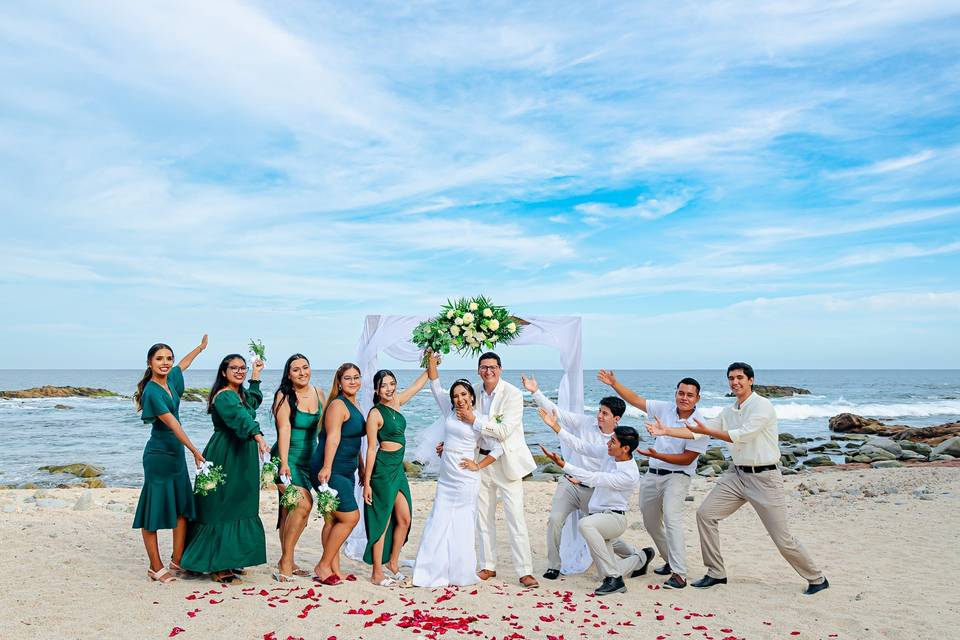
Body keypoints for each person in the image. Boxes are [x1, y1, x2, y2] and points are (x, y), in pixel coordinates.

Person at [647, 362, 830, 596]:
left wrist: (708, 431)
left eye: (740, 378)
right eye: (731, 378)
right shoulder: (729, 411)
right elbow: (698, 430)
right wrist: (667, 431)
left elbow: (740, 436)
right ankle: (716, 573)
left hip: (764, 477)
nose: (735, 382)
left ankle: (817, 578)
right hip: (736, 475)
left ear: (751, 380)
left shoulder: (762, 406)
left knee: (782, 538)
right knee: (706, 515)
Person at [598, 370, 710, 589]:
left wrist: (657, 455)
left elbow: (687, 459)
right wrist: (614, 384)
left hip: (678, 476)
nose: (684, 398)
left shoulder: (700, 424)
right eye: (680, 393)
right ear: (676, 393)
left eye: (689, 395)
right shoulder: (665, 408)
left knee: (671, 518)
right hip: (653, 474)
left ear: (697, 398)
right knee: (650, 522)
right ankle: (670, 560)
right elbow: (636, 400)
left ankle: (679, 573)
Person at [521, 374, 626, 581]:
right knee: (554, 520)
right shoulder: (586, 423)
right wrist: (535, 392)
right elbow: (558, 413)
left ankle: (632, 552)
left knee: (599, 533)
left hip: (594, 492)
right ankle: (554, 565)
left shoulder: (618, 443)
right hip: (569, 484)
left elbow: (610, 474)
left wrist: (586, 479)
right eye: (599, 411)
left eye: (605, 413)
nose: (599, 416)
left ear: (616, 419)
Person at [412, 353, 502, 587]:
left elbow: (498, 448)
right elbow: (435, 384)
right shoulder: (449, 412)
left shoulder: (479, 419)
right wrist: (431, 361)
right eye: (455, 396)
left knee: (462, 525)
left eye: (463, 394)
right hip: (446, 478)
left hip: (465, 479)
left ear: (471, 396)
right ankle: (430, 569)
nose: (459, 399)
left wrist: (477, 465)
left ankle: (460, 572)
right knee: (438, 521)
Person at [538, 414, 651, 596]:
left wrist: (563, 464)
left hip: (613, 518)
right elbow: (582, 446)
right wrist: (556, 427)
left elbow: (594, 478)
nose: (608, 443)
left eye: (612, 441)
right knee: (602, 573)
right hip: (600, 517)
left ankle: (614, 579)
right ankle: (642, 557)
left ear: (625, 448)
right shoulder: (610, 455)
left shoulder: (629, 474)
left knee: (586, 524)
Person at [180, 354, 270, 583]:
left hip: (242, 456)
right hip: (226, 455)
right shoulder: (224, 396)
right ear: (223, 371)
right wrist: (259, 437)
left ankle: (229, 558)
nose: (240, 371)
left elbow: (252, 403)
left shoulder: (239, 394)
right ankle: (217, 564)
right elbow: (241, 418)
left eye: (243, 368)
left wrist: (256, 376)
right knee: (220, 506)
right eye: (234, 368)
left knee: (240, 504)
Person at [132, 336, 208, 583]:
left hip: (175, 455)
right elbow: (173, 425)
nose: (165, 363)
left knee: (182, 510)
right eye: (159, 359)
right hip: (159, 457)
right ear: (149, 362)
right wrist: (195, 451)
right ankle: (155, 566)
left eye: (168, 358)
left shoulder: (171, 380)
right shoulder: (153, 391)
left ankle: (177, 561)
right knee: (153, 512)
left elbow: (183, 365)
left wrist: (199, 348)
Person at [462, 352, 538, 587]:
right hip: (480, 462)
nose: (488, 371)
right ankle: (488, 565)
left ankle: (524, 571)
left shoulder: (513, 394)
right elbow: (461, 422)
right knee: (483, 518)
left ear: (500, 369)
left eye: (493, 367)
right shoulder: (472, 391)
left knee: (515, 517)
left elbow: (504, 431)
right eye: (484, 367)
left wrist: (473, 420)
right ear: (478, 370)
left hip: (507, 463)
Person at [361, 367, 430, 586]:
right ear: (376, 389)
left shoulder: (397, 403)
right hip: (382, 470)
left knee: (405, 518)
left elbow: (418, 386)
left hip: (398, 470)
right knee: (382, 519)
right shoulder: (375, 413)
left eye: (392, 383)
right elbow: (371, 449)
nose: (389, 388)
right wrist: (367, 483)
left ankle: (393, 562)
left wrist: (431, 363)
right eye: (384, 385)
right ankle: (376, 573)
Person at [270, 354, 324, 582]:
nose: (302, 373)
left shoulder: (319, 393)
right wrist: (283, 463)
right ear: (288, 374)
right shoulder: (284, 396)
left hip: (310, 460)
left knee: (289, 511)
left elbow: (324, 430)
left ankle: (289, 560)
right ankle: (286, 560)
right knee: (303, 504)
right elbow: (284, 430)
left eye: (305, 367)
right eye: (296, 369)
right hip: (286, 458)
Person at [310, 362, 364, 585]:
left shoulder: (355, 404)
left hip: (347, 469)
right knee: (351, 517)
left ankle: (334, 568)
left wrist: (360, 465)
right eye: (348, 378)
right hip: (330, 467)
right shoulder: (337, 406)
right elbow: (333, 438)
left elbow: (355, 440)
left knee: (332, 519)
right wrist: (327, 467)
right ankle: (323, 564)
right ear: (339, 383)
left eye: (356, 377)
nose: (353, 381)